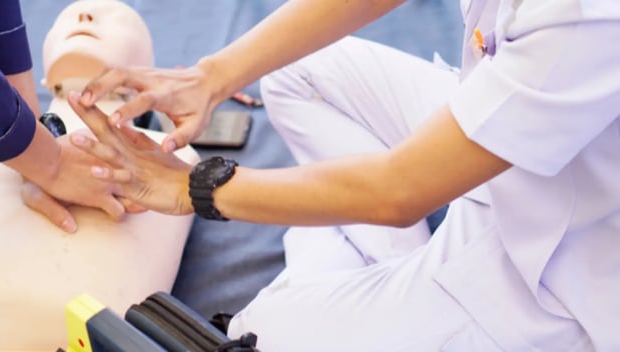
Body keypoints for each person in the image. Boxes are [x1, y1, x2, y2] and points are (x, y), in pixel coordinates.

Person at [65, 0, 620, 350]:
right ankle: (403, 277)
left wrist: (191, 187)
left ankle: (416, 293)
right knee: (296, 75)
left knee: (264, 330)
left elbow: (400, 190)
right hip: (504, 158)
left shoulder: (591, 16)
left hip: (558, 271)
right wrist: (211, 76)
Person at [0, 1, 200, 351]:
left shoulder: (170, 163)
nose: (84, 16)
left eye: (117, 20)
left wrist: (33, 149)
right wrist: (40, 158)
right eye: (68, 16)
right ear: (44, 75)